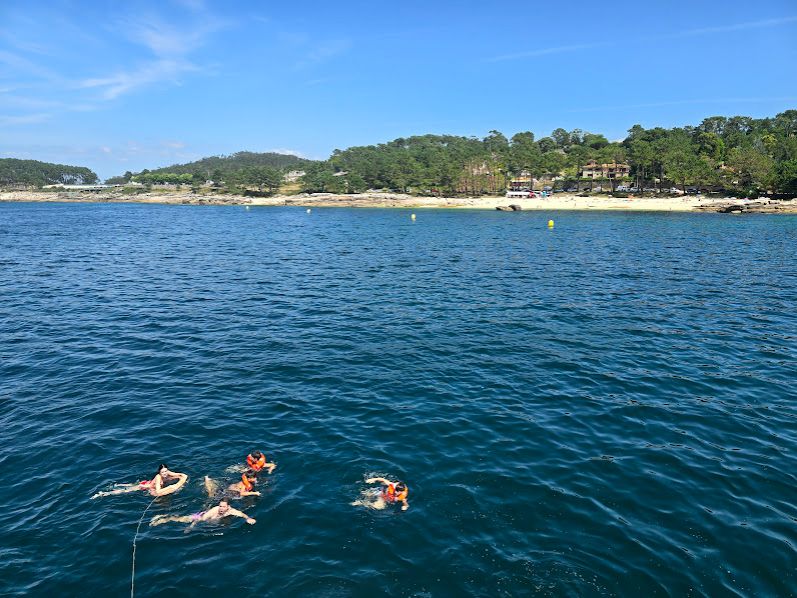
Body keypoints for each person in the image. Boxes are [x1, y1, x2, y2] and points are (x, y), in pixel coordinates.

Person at [91, 464, 188, 499]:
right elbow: (158, 491)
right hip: (145, 486)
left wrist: (180, 480)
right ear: (159, 472)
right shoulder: (158, 477)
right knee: (126, 490)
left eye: (166, 471)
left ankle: (117, 484)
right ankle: (104, 493)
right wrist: (172, 488)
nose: (165, 473)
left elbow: (182, 475)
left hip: (147, 482)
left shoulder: (168, 472)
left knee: (131, 485)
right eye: (163, 472)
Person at [150, 500, 255, 527]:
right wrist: (191, 527)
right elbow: (201, 519)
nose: (221, 508)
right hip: (200, 516)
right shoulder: (215, 510)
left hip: (214, 521)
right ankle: (163, 518)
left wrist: (248, 518)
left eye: (223, 507)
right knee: (181, 519)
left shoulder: (232, 511)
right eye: (220, 506)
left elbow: (242, 514)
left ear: (228, 507)